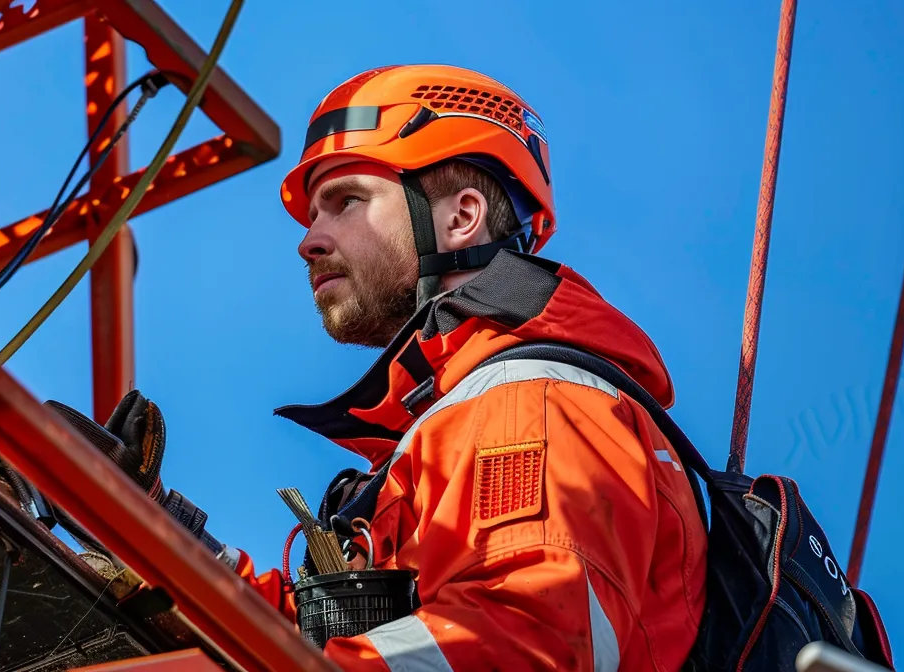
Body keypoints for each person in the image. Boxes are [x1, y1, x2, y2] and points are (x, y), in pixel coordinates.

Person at [229, 64, 709, 670]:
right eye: (312, 216)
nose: (309, 241)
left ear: (461, 218)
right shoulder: (448, 422)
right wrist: (164, 546)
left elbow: (529, 641)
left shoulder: (529, 400)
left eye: (346, 201)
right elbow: (320, 646)